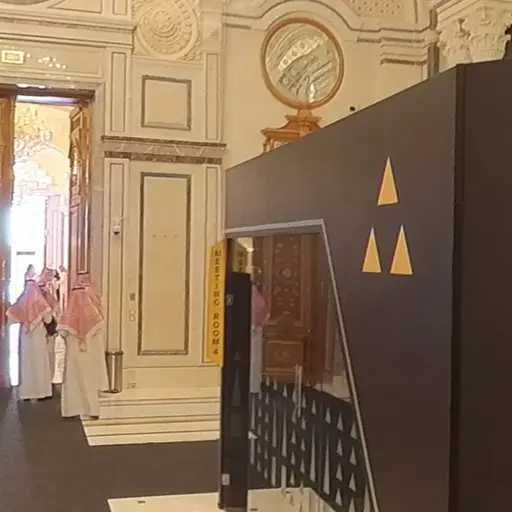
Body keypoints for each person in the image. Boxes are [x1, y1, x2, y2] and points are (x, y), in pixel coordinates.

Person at [58, 280, 108, 419]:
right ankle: (92, 411)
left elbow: (62, 333)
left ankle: (71, 411)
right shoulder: (94, 317)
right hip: (89, 356)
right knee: (89, 382)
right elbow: (99, 329)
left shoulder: (68, 314)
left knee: (72, 383)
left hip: (73, 357)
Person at [6, 279, 54, 401]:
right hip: (39, 336)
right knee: (40, 362)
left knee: (26, 364)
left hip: (25, 336)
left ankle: (26, 393)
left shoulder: (21, 302)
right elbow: (48, 320)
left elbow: (11, 318)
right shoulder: (41, 303)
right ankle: (42, 392)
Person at [250, 282, 268, 394]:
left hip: (249, 330)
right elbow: (266, 314)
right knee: (255, 360)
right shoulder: (259, 298)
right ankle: (255, 386)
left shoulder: (249, 295)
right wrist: (260, 326)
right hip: (257, 331)